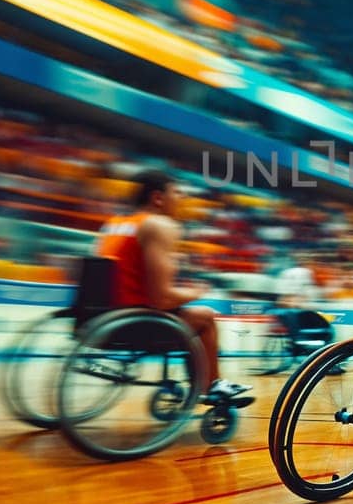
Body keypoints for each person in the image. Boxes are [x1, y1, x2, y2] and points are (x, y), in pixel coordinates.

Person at [94, 170, 248, 402]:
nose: (182, 198)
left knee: (186, 316)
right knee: (205, 317)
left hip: (99, 320)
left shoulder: (114, 224)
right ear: (158, 198)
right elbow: (162, 300)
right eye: (177, 192)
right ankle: (211, 386)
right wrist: (195, 292)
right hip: (135, 325)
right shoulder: (158, 225)